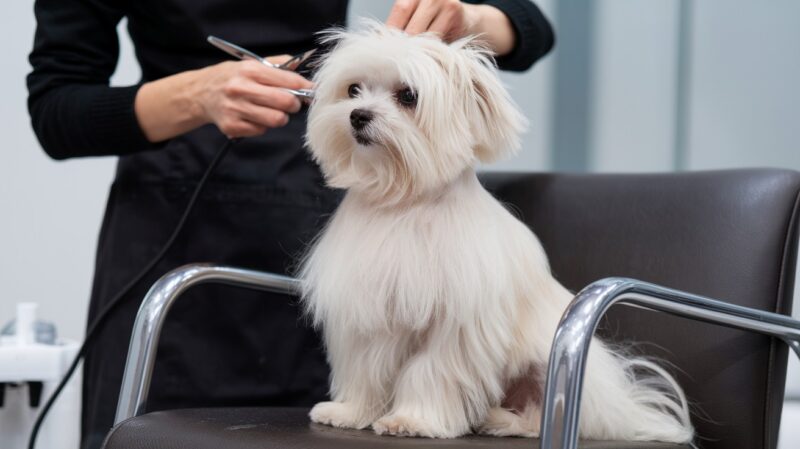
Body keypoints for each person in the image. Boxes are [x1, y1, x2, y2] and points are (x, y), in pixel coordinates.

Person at [27, 1, 554, 447]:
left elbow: (531, 28)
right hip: (171, 234)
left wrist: (469, 19)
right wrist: (198, 97)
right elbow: (58, 111)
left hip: (323, 213)